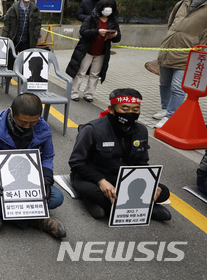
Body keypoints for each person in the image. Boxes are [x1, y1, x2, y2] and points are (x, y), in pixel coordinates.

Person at [0, 93, 66, 239]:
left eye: (33, 123)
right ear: (11, 112)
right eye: (22, 122)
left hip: (26, 180)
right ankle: (36, 220)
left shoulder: (43, 128)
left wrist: (46, 179)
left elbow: (47, 157)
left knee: (57, 197)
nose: (27, 127)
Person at [68, 88, 172, 221]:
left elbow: (142, 162)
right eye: (125, 109)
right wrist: (101, 181)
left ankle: (111, 207)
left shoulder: (141, 131)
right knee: (94, 192)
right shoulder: (92, 129)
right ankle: (146, 210)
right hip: (92, 178)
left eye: (135, 110)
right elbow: (76, 163)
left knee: (163, 191)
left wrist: (151, 182)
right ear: (111, 109)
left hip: (122, 178)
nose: (130, 113)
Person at [154, 0, 207, 128]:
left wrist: (201, 51)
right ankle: (165, 108)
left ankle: (171, 115)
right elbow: (171, 24)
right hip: (168, 49)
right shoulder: (182, 3)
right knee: (164, 83)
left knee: (178, 87)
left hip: (188, 53)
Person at [66, 0, 121, 102]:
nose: (108, 10)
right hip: (87, 50)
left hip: (102, 52)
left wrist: (114, 35)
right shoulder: (91, 18)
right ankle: (74, 92)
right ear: (101, 8)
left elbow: (118, 38)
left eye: (110, 8)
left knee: (95, 74)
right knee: (80, 72)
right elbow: (83, 31)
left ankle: (89, 94)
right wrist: (97, 31)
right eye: (106, 8)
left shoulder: (113, 21)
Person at [2, 0, 42, 70]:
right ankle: (8, 78)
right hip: (14, 39)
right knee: (10, 60)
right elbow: (7, 23)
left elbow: (38, 24)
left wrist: (35, 36)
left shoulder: (35, 9)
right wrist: (5, 38)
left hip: (27, 40)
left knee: (26, 62)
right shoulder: (13, 8)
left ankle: (23, 80)